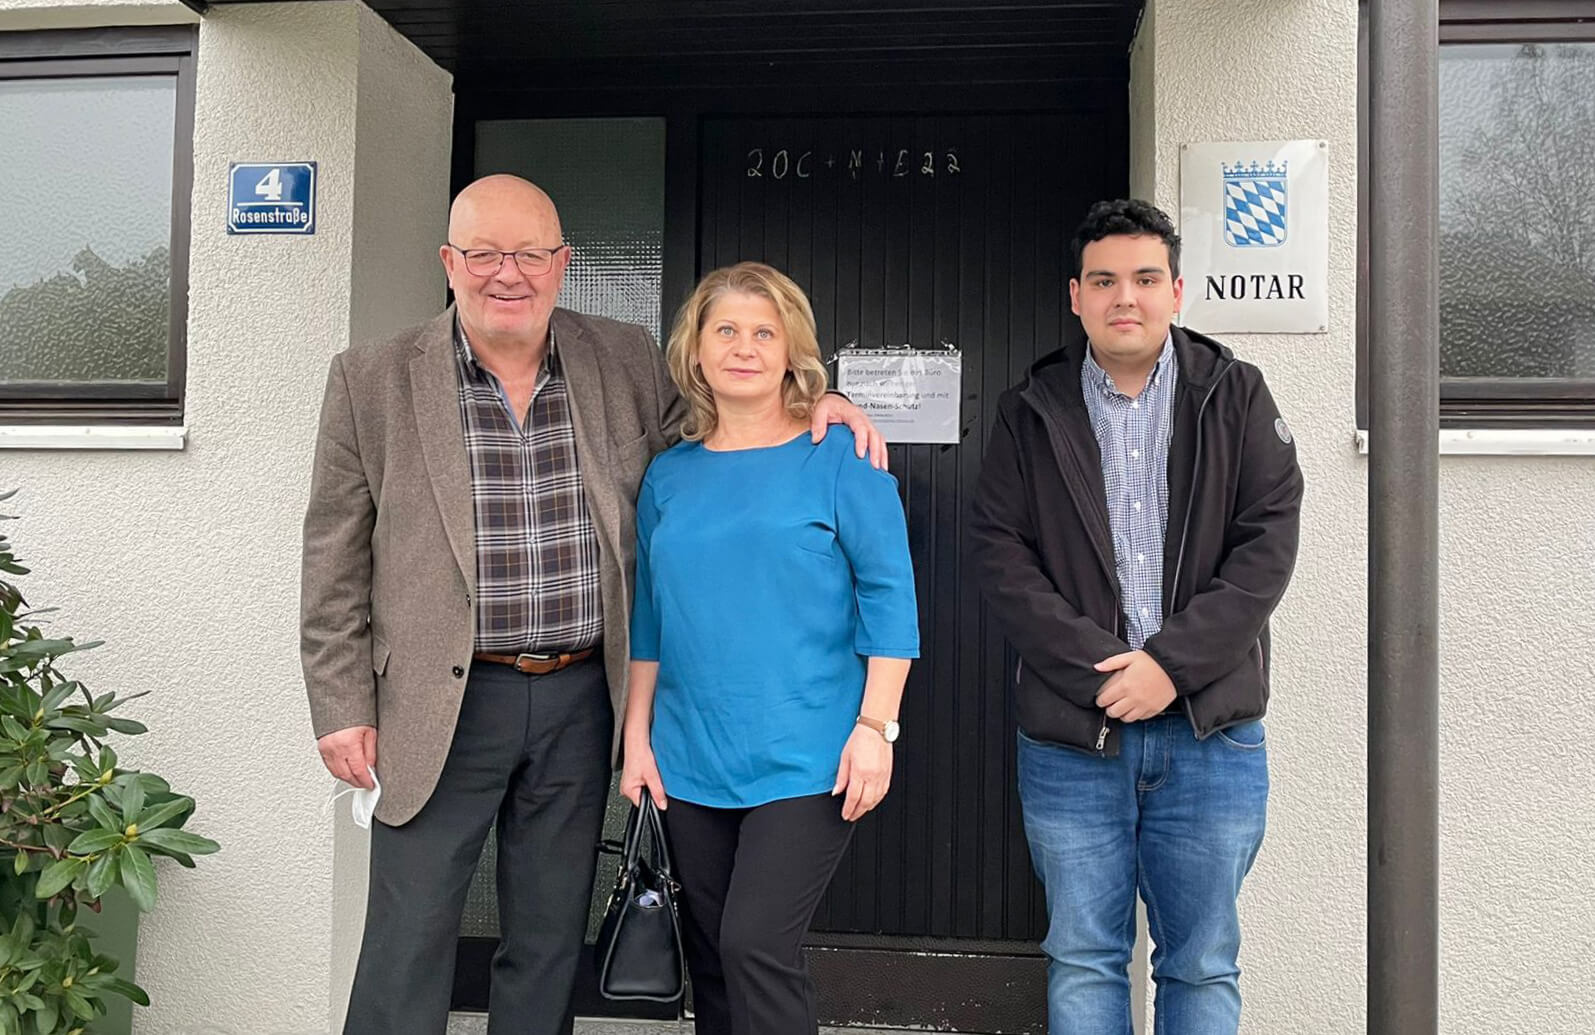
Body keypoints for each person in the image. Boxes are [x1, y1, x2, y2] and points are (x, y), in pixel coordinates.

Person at [300, 176, 884, 1035]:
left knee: (546, 938)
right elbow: (333, 554)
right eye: (484, 254)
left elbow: (727, 426)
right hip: (436, 701)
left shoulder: (622, 357)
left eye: (529, 254)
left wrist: (811, 402)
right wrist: (341, 702)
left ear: (562, 262)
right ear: (449, 262)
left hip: (579, 696)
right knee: (408, 935)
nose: (508, 273)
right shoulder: (373, 378)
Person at [969, 199, 1303, 1034]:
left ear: (1176, 291)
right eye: (1104, 280)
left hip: (1210, 734)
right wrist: (1104, 672)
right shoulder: (1029, 408)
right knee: (1083, 957)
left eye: (1145, 278)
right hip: (1073, 739)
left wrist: (1168, 667)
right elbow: (1001, 556)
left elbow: (1266, 544)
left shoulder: (1234, 394)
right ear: (1074, 296)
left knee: (1201, 962)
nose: (1125, 296)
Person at [619, 262, 919, 1035]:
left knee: (755, 943)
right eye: (725, 330)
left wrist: (876, 728)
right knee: (713, 959)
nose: (743, 346)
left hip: (807, 753)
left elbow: (890, 598)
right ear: (695, 350)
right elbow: (649, 618)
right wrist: (636, 739)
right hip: (688, 754)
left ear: (792, 352)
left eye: (764, 332)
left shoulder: (839, 458)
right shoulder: (668, 476)